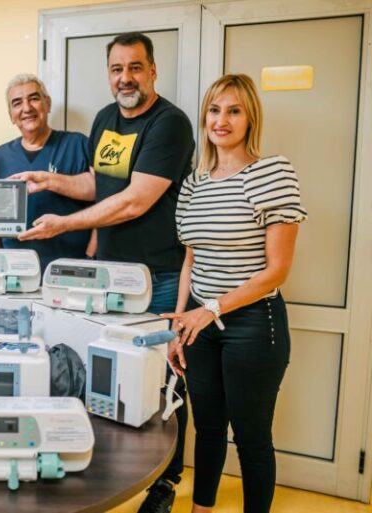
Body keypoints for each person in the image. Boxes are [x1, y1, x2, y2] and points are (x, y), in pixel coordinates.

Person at [13, 33, 195, 512]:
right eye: (117, 69)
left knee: (161, 382)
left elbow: (136, 199)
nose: (125, 78)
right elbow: (98, 183)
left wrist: (64, 223)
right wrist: (49, 180)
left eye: (135, 67)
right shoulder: (105, 118)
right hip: (109, 277)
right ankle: (121, 474)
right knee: (112, 378)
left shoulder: (169, 124)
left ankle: (164, 484)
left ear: (152, 71)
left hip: (158, 278)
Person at [165, 74, 306, 513]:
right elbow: (191, 261)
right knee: (207, 429)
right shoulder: (194, 184)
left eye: (233, 110)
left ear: (250, 118)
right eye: (213, 110)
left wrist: (211, 310)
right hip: (198, 326)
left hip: (250, 324)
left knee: (251, 438)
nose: (221, 120)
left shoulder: (272, 172)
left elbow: (276, 271)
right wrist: (179, 323)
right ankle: (200, 509)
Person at [0, 74, 93, 271]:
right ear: (11, 115)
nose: (26, 108)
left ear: (47, 104)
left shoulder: (77, 145)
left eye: (34, 98)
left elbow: (103, 197)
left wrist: (91, 255)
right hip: (13, 271)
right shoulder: (1, 156)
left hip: (71, 267)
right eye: (17, 103)